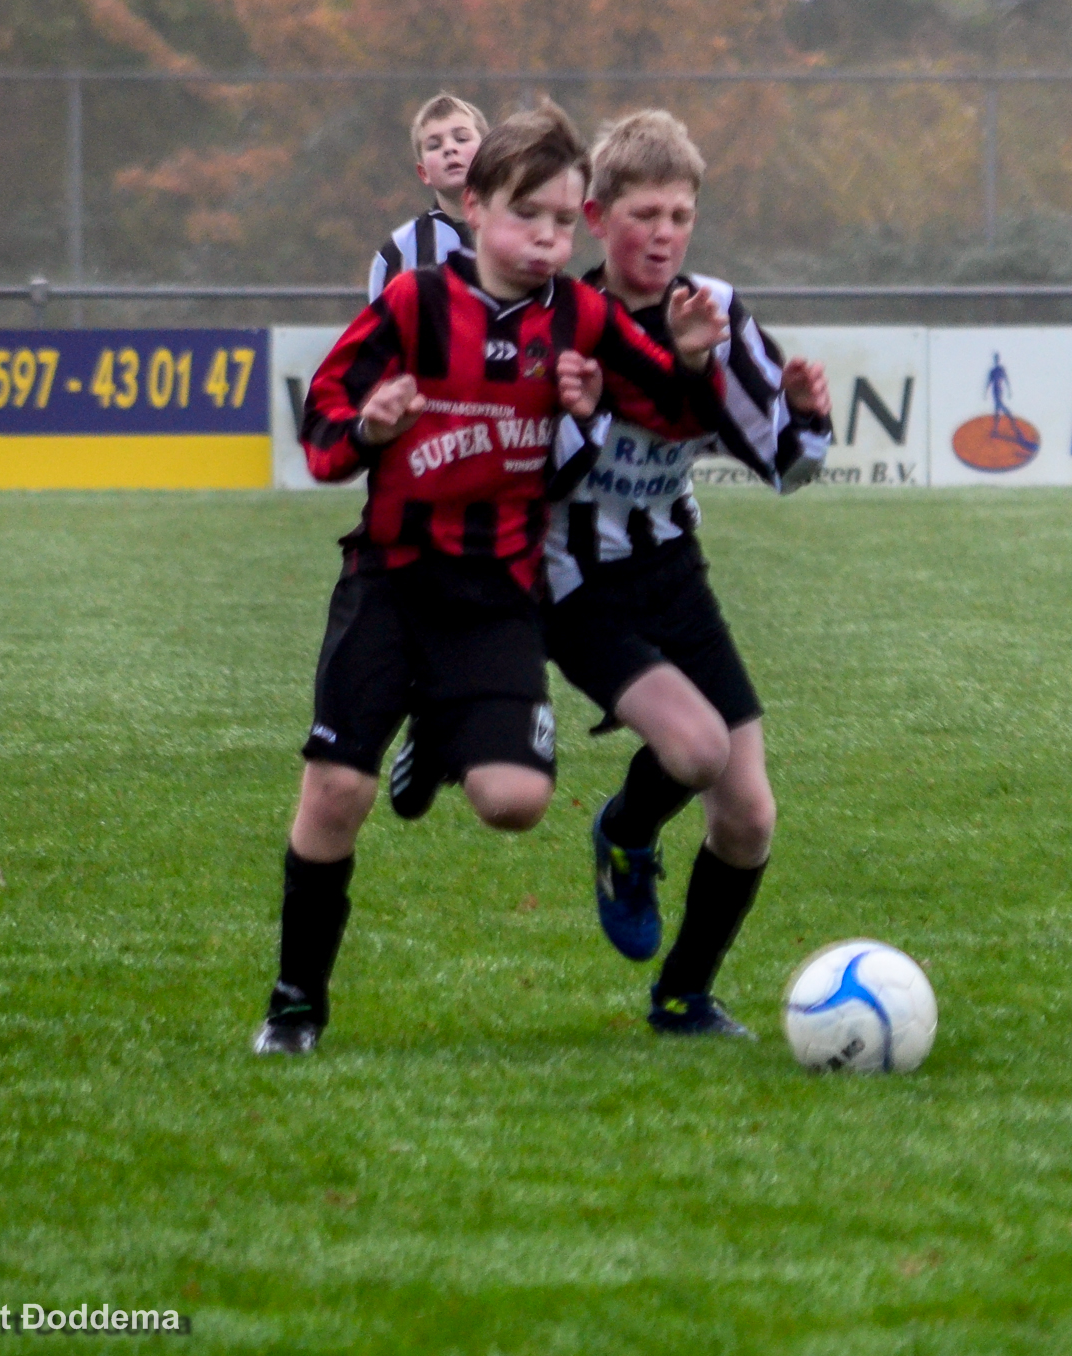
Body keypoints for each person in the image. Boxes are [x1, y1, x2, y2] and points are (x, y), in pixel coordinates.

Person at [256, 100, 729, 1056]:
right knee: (337, 791)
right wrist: (369, 430)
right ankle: (295, 1004)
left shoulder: (582, 316)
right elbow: (322, 423)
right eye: (526, 216)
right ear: (472, 208)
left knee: (514, 803)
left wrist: (685, 363)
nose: (548, 238)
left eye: (562, 220)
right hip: (391, 580)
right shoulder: (412, 304)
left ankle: (439, 722)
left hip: (497, 595)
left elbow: (669, 414)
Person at [538, 108, 832, 1037]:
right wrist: (632, 388)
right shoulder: (561, 321)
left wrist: (802, 413)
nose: (664, 235)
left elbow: (787, 468)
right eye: (644, 215)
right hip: (576, 588)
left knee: (747, 816)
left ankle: (683, 997)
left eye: (680, 216)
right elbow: (539, 471)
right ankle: (626, 831)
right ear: (596, 218)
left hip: (672, 570)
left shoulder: (715, 309)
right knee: (698, 751)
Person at [367, 93, 487, 301]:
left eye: (461, 138)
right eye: (434, 145)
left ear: (489, 154)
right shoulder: (400, 250)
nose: (449, 148)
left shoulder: (520, 232)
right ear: (423, 173)